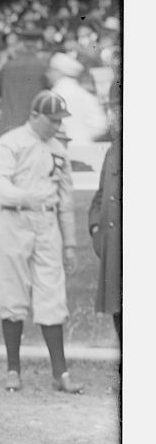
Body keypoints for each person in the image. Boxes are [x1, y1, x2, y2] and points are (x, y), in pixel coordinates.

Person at [0, 90, 83, 394]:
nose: (56, 125)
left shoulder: (58, 149)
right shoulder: (10, 142)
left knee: (52, 295)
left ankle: (60, 373)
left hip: (47, 222)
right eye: (52, 120)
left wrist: (70, 243)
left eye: (59, 120)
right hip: (11, 219)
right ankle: (13, 369)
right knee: (12, 295)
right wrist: (25, 196)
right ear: (35, 116)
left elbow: (66, 199)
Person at [88, 83, 122, 343]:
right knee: (119, 315)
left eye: (118, 109)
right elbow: (100, 196)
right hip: (113, 251)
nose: (115, 115)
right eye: (112, 110)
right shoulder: (113, 150)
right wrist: (96, 229)